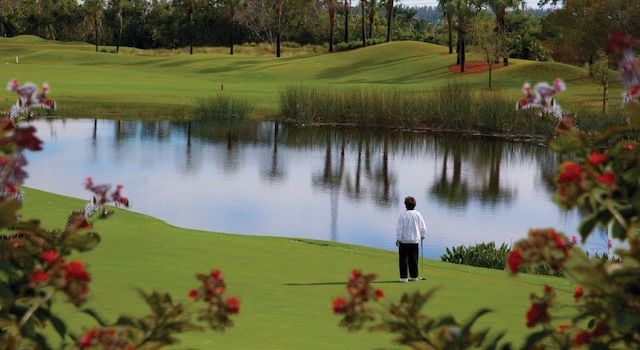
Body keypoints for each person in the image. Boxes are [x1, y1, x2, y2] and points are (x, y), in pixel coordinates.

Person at [396, 196, 426, 282]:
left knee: (403, 259)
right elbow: (422, 227)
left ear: (406, 205)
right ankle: (414, 276)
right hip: (414, 241)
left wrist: (398, 238)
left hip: (404, 241)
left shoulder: (403, 215)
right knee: (413, 259)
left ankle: (404, 277)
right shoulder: (418, 214)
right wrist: (423, 235)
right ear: (414, 205)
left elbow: (399, 228)